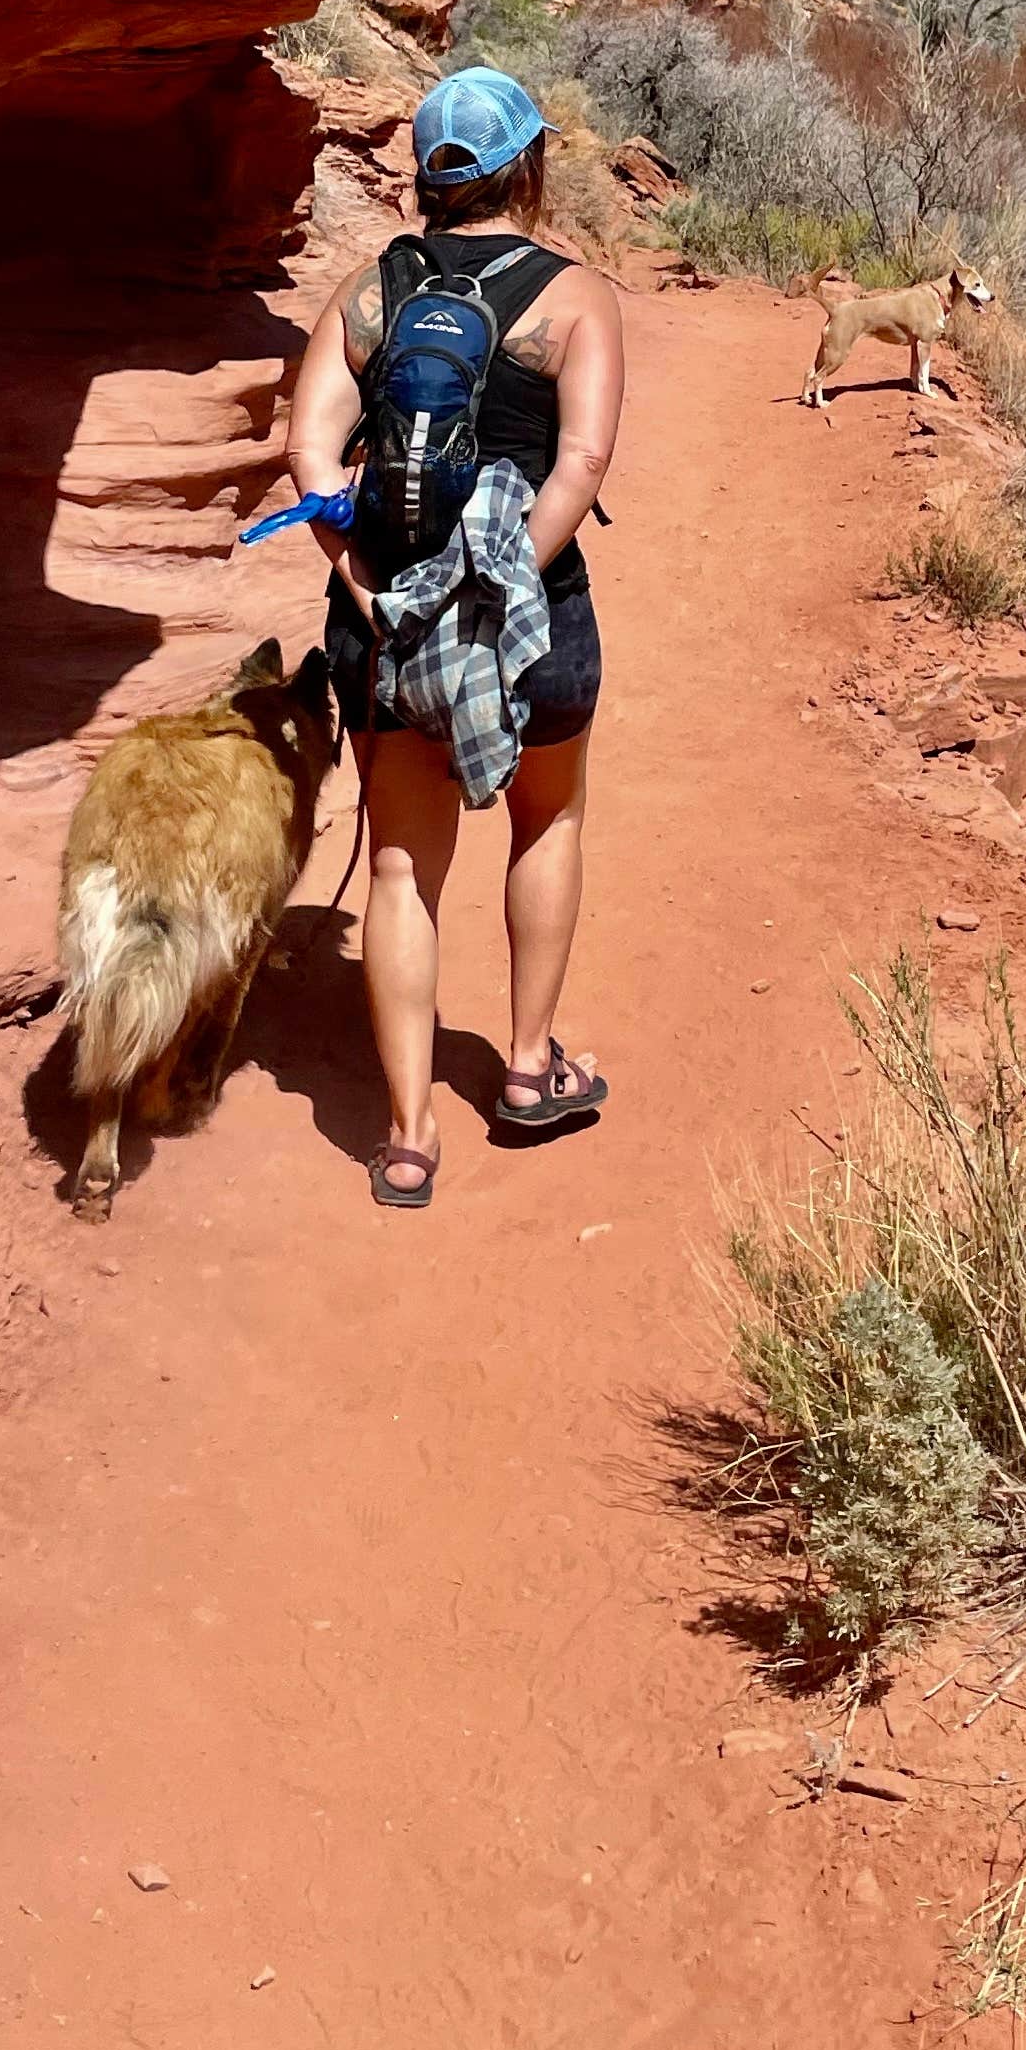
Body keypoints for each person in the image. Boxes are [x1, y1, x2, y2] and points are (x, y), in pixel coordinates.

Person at [283, 66, 625, 1210]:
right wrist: (497, 583)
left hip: (385, 624)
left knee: (399, 864)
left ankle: (408, 1137)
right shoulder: (575, 299)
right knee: (547, 819)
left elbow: (310, 454)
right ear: (530, 166)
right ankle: (527, 1070)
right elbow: (581, 461)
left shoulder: (368, 293)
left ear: (426, 178)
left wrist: (369, 585)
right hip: (534, 618)